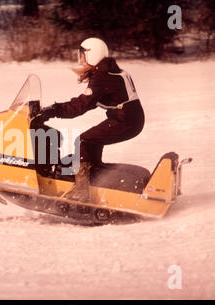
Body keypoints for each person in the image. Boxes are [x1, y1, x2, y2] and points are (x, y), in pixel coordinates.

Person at [34, 37, 145, 202]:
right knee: (91, 141)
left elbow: (81, 105)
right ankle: (95, 176)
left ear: (92, 55)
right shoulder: (111, 70)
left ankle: (81, 191)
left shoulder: (102, 77)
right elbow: (89, 102)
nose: (81, 59)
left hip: (126, 121)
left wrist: (54, 110)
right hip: (130, 118)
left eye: (83, 55)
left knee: (84, 141)